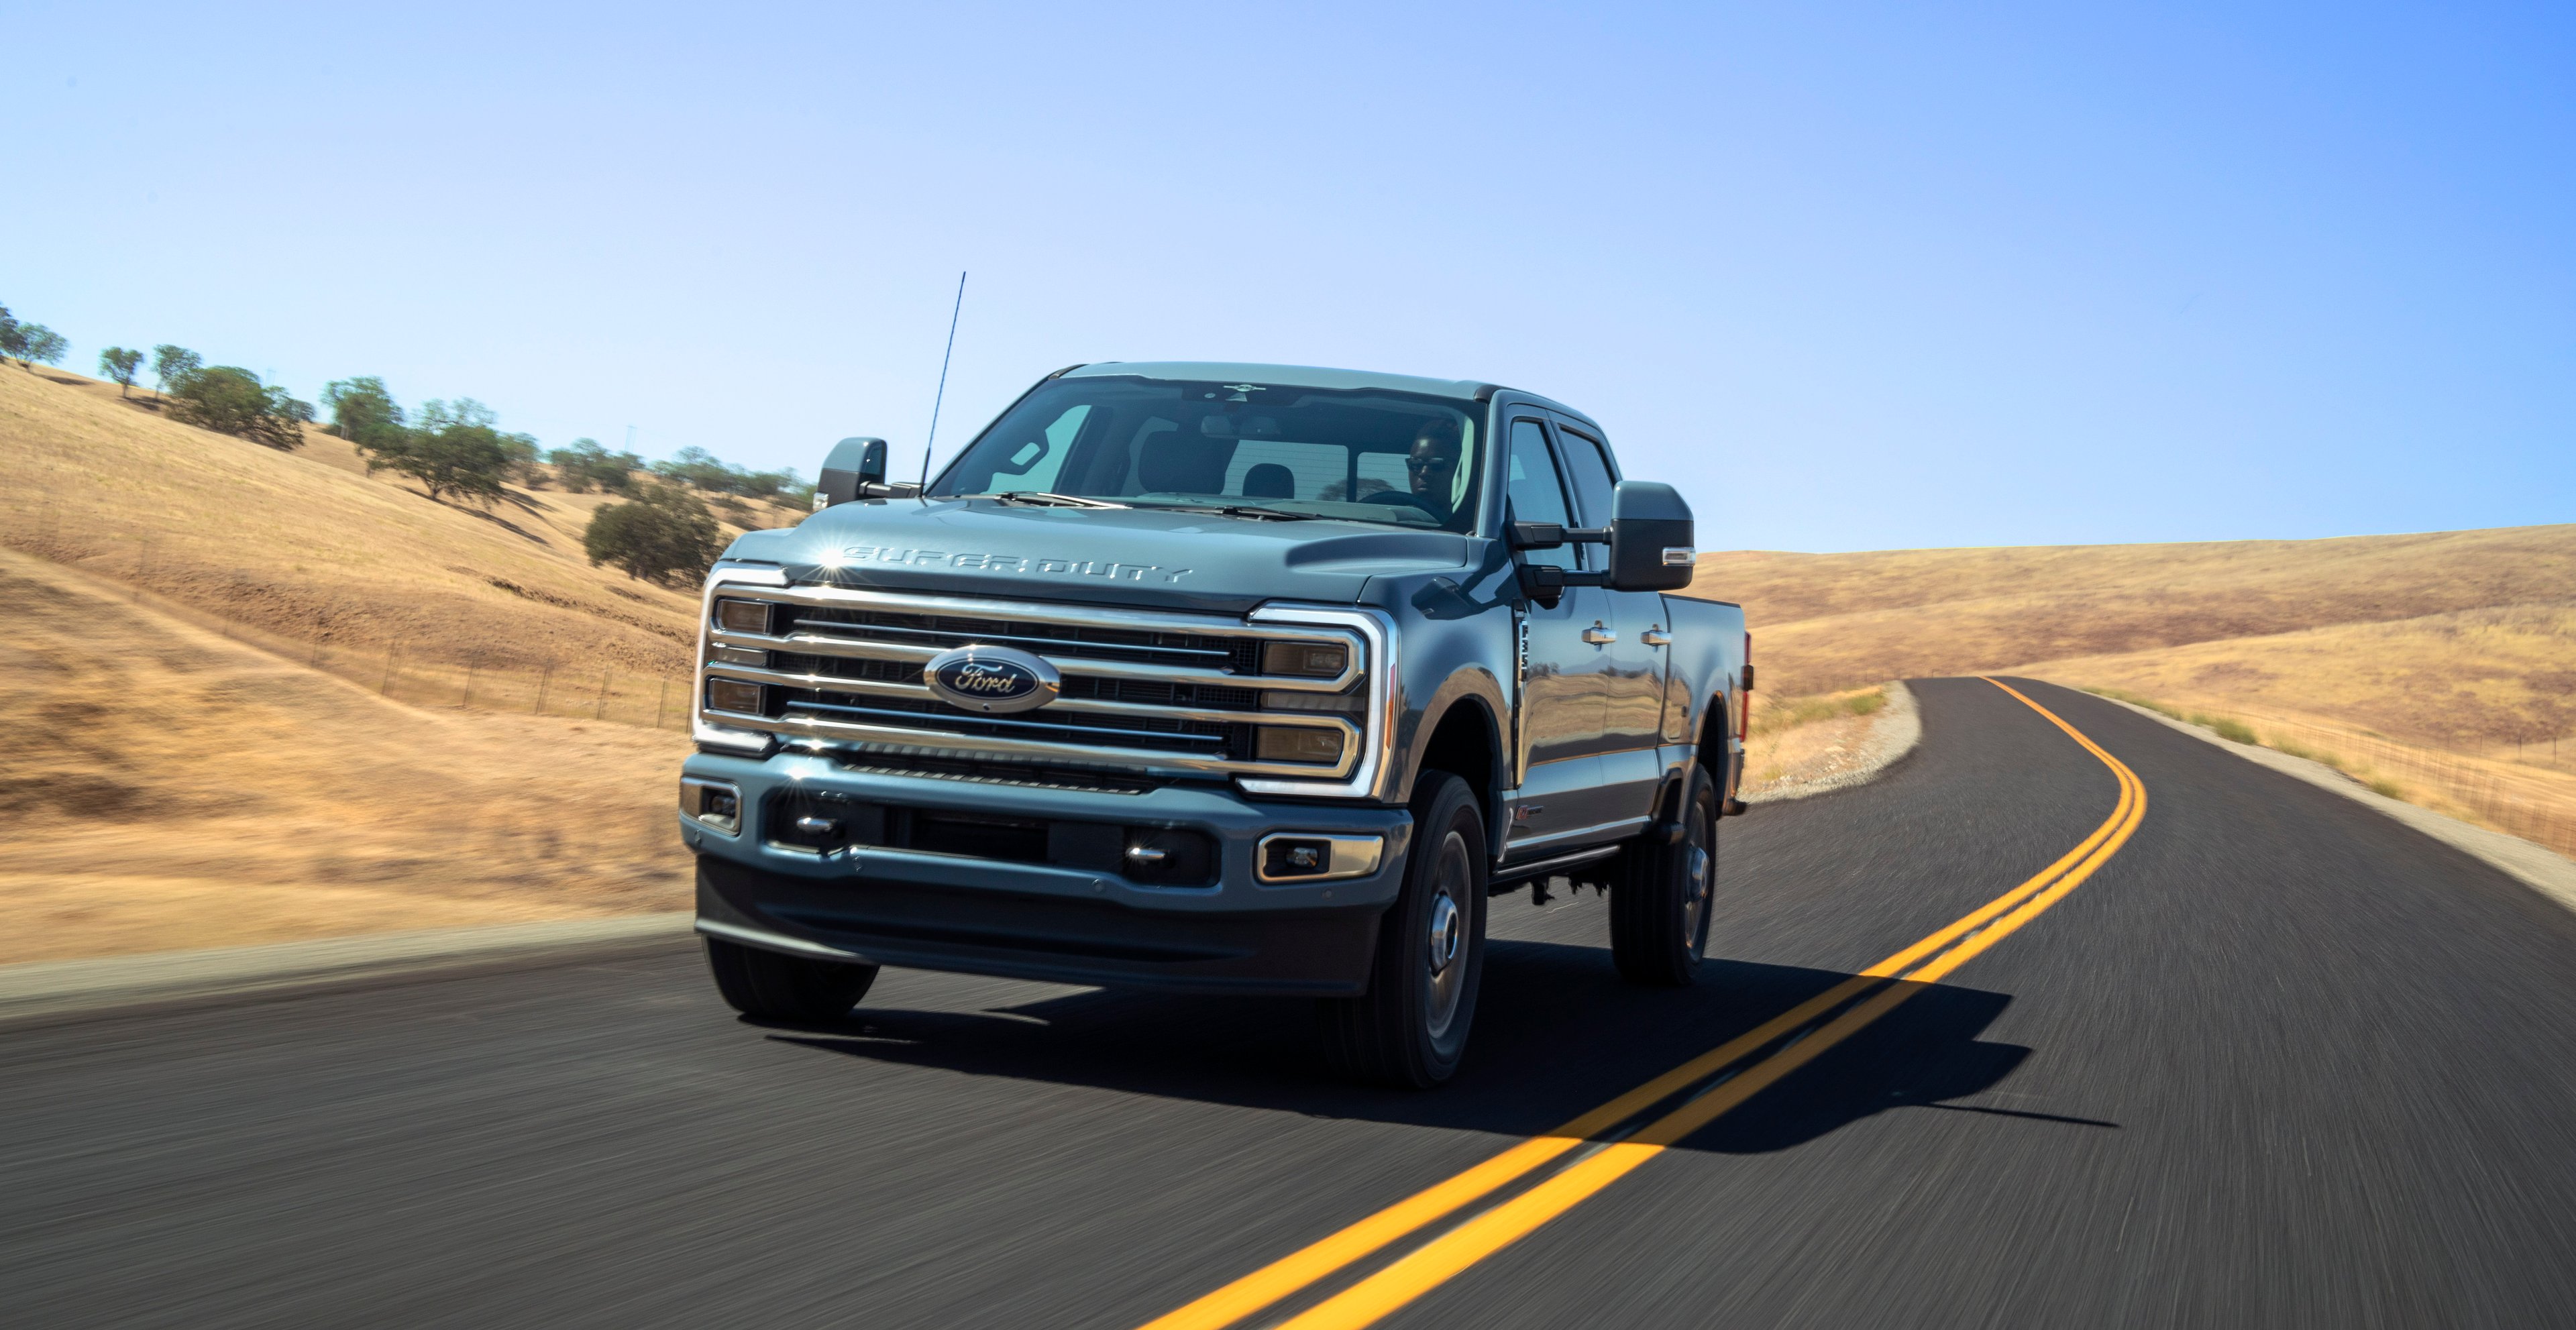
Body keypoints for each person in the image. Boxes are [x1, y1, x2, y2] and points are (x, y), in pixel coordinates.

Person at [1399, 418, 1464, 522]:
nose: (1424, 473)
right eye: (1415, 463)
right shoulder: (1394, 522)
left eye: (1436, 464)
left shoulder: (1475, 525)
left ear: (1459, 470)